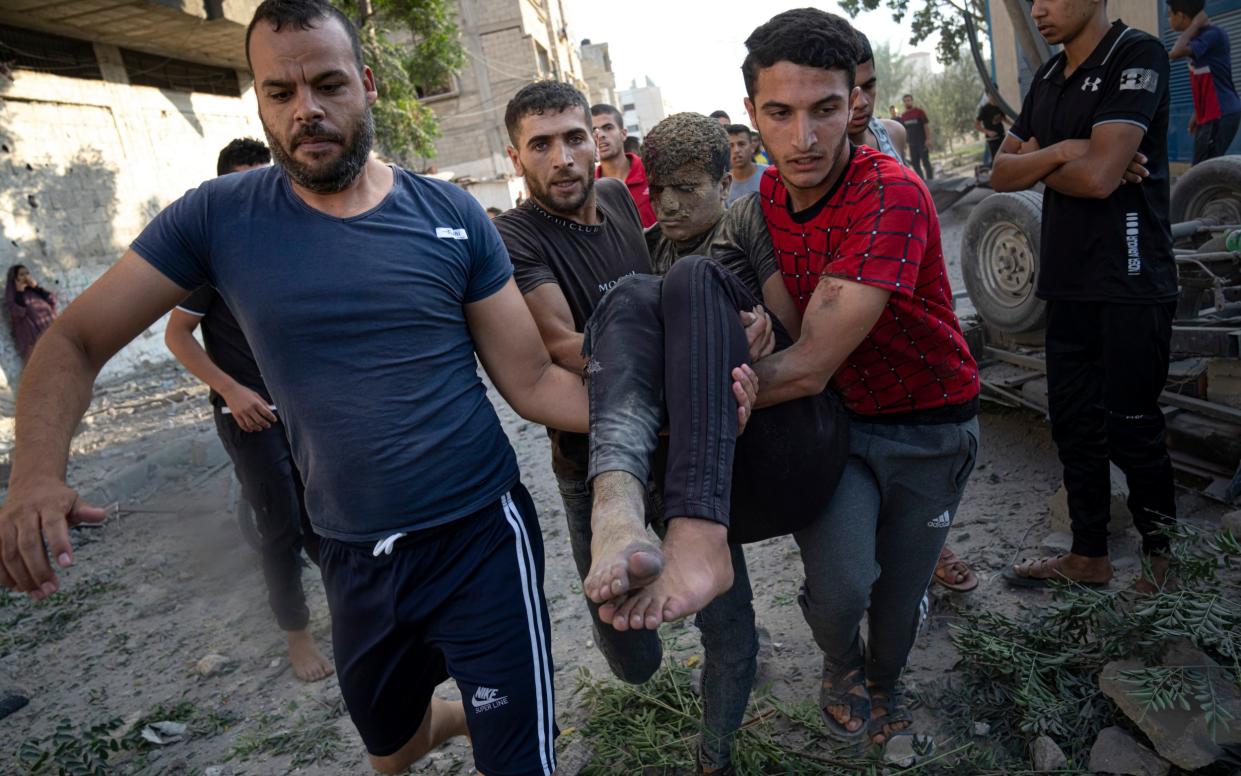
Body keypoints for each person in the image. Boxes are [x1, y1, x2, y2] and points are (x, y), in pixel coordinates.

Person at [0, 2, 618, 773]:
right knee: (390, 750)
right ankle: (449, 716)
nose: (307, 112)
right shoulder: (217, 219)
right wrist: (34, 474)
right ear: (258, 101)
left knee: (520, 764)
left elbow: (530, 381)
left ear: (365, 85)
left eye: (328, 85)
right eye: (281, 94)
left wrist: (670, 415)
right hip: (351, 554)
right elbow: (75, 338)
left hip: (480, 538)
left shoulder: (453, 215)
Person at [498, 87, 843, 773]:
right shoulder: (516, 236)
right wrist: (685, 377)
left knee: (726, 618)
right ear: (516, 157)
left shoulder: (630, 204)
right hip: (591, 461)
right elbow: (566, 348)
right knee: (628, 651)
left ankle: (714, 755)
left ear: (601, 142)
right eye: (541, 145)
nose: (563, 158)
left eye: (573, 138)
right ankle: (626, 568)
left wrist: (741, 334)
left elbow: (721, 304)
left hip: (680, 451)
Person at [716, 8, 976, 747]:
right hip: (840, 427)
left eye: (824, 110)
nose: (803, 138)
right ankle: (841, 667)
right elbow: (765, 312)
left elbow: (807, 363)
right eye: (780, 113)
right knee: (839, 590)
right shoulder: (761, 201)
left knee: (895, 600)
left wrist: (696, 400)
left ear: (853, 103)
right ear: (752, 115)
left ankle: (884, 677)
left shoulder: (890, 193)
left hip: (931, 425)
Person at [992, 0, 1179, 594]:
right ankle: (1088, 554)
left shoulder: (1137, 55)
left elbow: (1101, 179)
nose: (1040, 9)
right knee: (1074, 425)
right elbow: (999, 173)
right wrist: (1070, 150)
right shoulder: (1048, 77)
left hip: (1130, 278)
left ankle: (1164, 559)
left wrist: (1047, 158)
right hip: (1067, 281)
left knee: (1132, 425)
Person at [163, 137, 333, 683]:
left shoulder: (298, 245)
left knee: (328, 517)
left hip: (306, 409)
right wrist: (232, 391)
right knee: (279, 525)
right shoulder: (212, 257)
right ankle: (297, 635)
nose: (258, 191)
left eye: (267, 177)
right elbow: (178, 334)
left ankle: (354, 609)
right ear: (222, 189)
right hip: (249, 416)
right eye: (244, 180)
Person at [849, 30, 978, 595]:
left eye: (868, 86)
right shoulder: (811, 159)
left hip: (914, 306)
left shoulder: (890, 135)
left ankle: (929, 549)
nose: (858, 102)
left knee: (922, 457)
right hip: (850, 320)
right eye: (844, 90)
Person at [1168, 0, 1241, 163]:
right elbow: (1206, 79)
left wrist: (1192, 25)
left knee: (1203, 172)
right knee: (1204, 172)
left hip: (1220, 113)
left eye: (1170, 15)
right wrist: (1198, 111)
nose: (1169, 20)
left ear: (1181, 16)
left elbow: (1175, 52)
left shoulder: (1213, 34)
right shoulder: (1201, 39)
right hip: (1210, 113)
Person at [591, 103, 656, 226]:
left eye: (608, 127)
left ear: (624, 134)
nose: (601, 135)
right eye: (594, 130)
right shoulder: (588, 187)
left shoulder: (652, 171)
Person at [4, 264, 56, 363]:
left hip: (52, 333)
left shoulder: (36, 291)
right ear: (15, 279)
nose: (25, 277)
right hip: (33, 338)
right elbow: (18, 312)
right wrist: (19, 292)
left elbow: (52, 301)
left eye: (27, 273)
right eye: (21, 275)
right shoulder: (12, 297)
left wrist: (36, 287)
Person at [725, 123, 768, 205]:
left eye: (741, 144)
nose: (736, 150)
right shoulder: (724, 184)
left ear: (752, 147)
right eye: (731, 146)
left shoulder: (769, 175)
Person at [900, 93, 934, 180]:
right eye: (905, 101)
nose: (907, 102)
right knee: (915, 164)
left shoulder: (919, 112)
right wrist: (904, 145)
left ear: (912, 101)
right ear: (903, 103)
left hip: (922, 142)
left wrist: (928, 139)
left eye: (909, 100)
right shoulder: (903, 116)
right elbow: (904, 131)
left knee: (926, 162)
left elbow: (926, 126)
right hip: (912, 144)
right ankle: (923, 182)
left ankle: (931, 181)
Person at [975, 94, 1007, 165]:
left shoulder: (998, 106)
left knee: (1006, 157)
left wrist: (1014, 124)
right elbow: (976, 125)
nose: (994, 96)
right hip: (992, 140)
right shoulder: (984, 109)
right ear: (988, 95)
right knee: (996, 160)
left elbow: (1003, 119)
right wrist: (988, 132)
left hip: (1002, 136)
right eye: (991, 94)